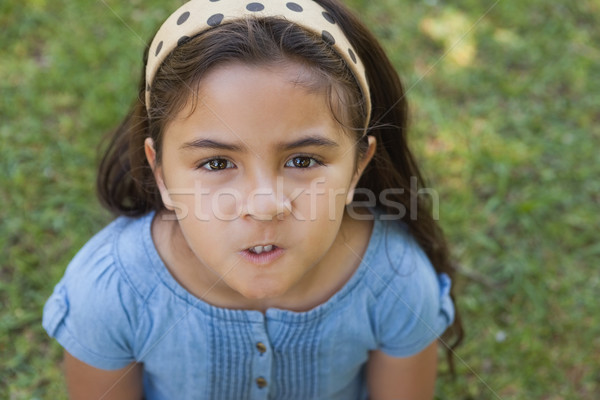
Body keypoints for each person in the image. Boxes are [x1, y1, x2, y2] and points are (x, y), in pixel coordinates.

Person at [43, 0, 463, 398]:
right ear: (161, 171)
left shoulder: (396, 280)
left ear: (358, 164)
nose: (264, 205)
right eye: (215, 164)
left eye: (303, 159)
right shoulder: (111, 294)